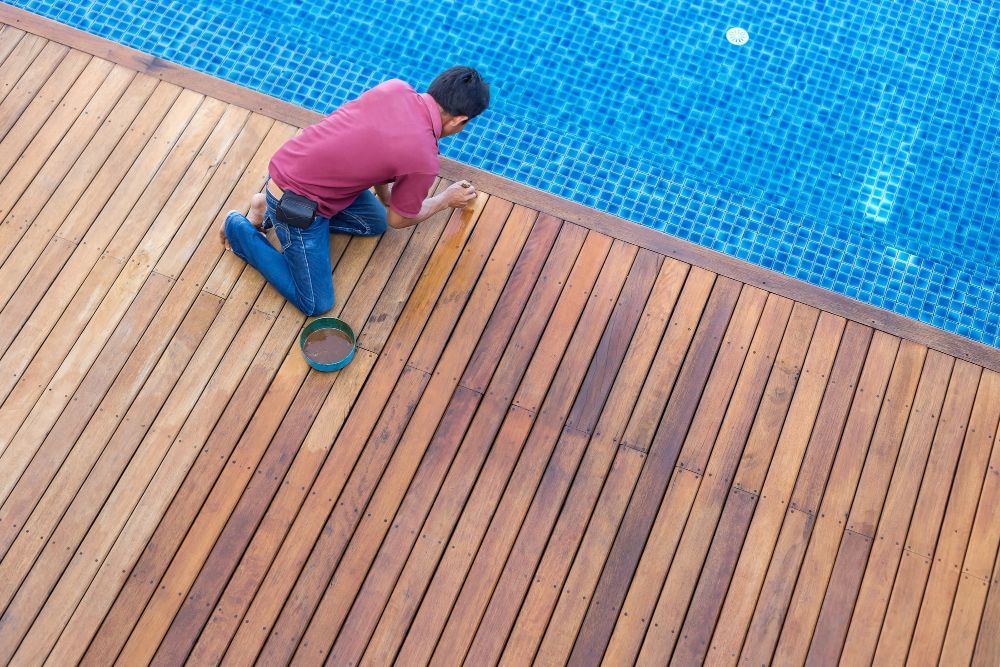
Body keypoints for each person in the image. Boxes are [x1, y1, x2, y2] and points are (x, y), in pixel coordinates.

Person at [220, 66, 490, 316]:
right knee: (315, 302)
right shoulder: (424, 159)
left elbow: (373, 146)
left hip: (293, 163)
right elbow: (400, 220)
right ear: (459, 120)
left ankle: (266, 207)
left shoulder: (395, 88)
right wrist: (445, 200)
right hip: (297, 205)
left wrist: (385, 197)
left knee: (374, 222)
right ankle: (239, 228)